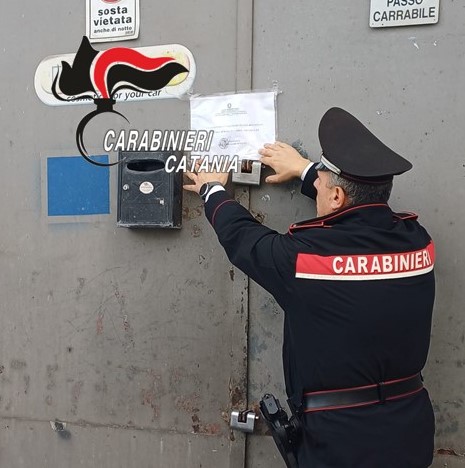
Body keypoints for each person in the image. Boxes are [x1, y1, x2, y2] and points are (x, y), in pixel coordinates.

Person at [184, 107, 435, 468]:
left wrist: (212, 189)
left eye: (321, 181)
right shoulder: (417, 242)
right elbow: (365, 210)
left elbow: (243, 238)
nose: (316, 183)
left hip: (339, 446)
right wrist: (303, 170)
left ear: (336, 197)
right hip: (411, 433)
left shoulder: (302, 260)